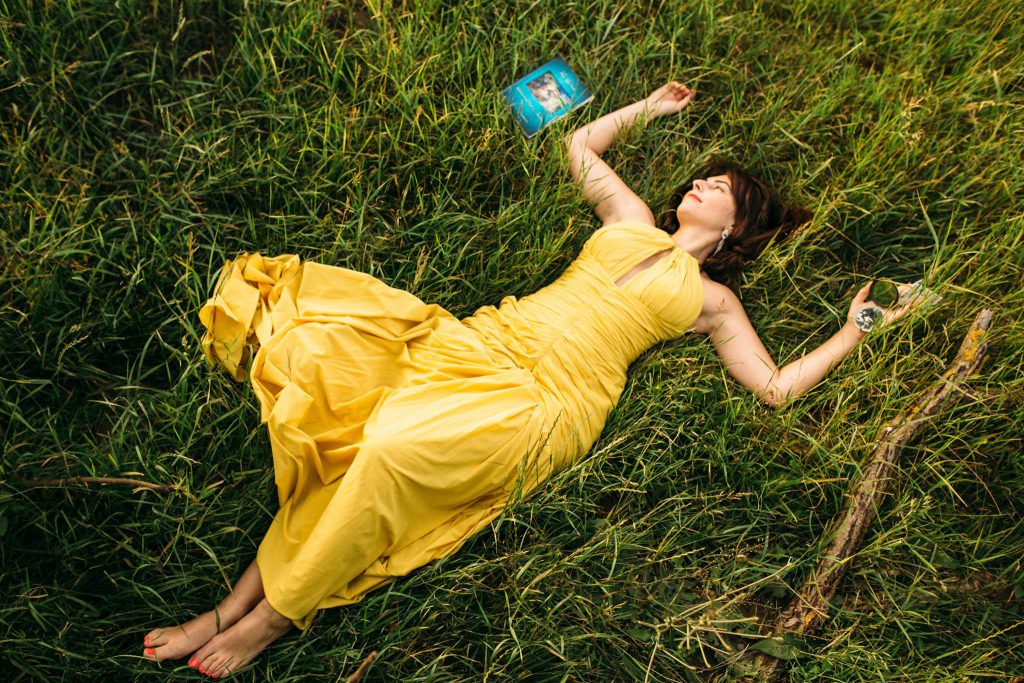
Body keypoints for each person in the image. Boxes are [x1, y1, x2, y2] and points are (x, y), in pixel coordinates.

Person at [142, 80, 924, 678]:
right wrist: (649, 108)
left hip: (548, 402)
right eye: (702, 178)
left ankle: (267, 618)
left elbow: (776, 387)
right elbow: (580, 143)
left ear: (735, 226)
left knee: (385, 451)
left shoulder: (715, 302)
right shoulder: (630, 220)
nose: (699, 186)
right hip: (486, 343)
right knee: (350, 441)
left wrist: (857, 328)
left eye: (717, 188)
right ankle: (227, 609)